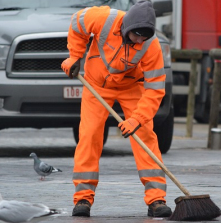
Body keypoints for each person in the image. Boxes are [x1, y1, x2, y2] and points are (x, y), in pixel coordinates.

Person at [61, 0, 172, 218]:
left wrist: (137, 119)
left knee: (145, 135)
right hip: (96, 85)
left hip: (132, 86)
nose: (140, 40)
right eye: (137, 35)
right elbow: (77, 23)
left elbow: (155, 89)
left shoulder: (152, 45)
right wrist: (75, 55)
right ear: (127, 27)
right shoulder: (102, 18)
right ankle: (83, 198)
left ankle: (156, 199)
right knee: (90, 134)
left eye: (144, 36)